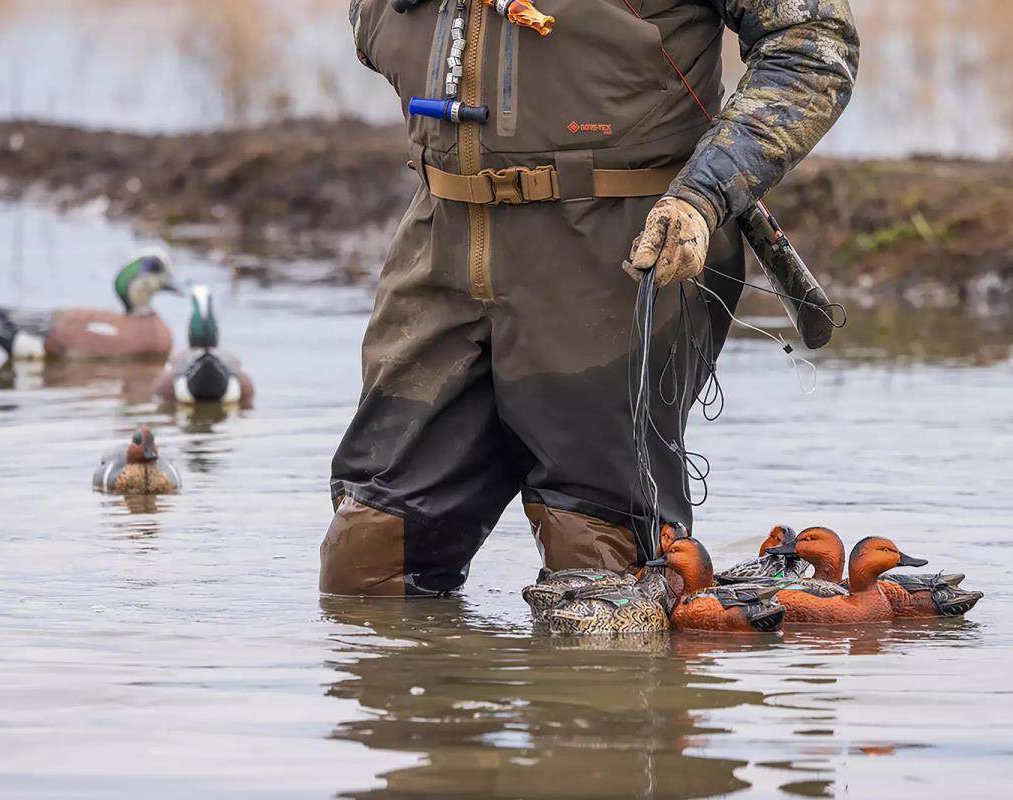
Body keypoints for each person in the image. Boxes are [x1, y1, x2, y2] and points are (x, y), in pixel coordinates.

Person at [322, 0, 859, 596]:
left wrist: (705, 193)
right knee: (366, 558)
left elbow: (814, 43)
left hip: (619, 253)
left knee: (599, 565)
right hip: (438, 247)